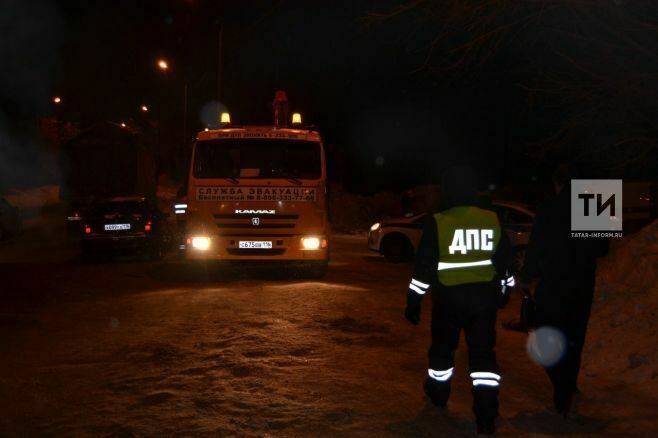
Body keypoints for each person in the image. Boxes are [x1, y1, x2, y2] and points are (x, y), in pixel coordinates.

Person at [404, 166, 513, 435]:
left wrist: (414, 301)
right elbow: (505, 262)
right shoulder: (492, 218)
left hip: (449, 300)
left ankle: (438, 396)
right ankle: (486, 417)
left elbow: (424, 268)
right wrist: (506, 290)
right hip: (483, 302)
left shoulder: (438, 221)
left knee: (442, 352)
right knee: (483, 358)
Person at [520, 165, 609, 416]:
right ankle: (569, 384)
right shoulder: (593, 203)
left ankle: (562, 387)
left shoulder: (549, 208)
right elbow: (603, 249)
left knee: (548, 332)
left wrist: (527, 276)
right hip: (583, 283)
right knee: (574, 335)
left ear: (557, 182)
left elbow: (536, 248)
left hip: (554, 284)